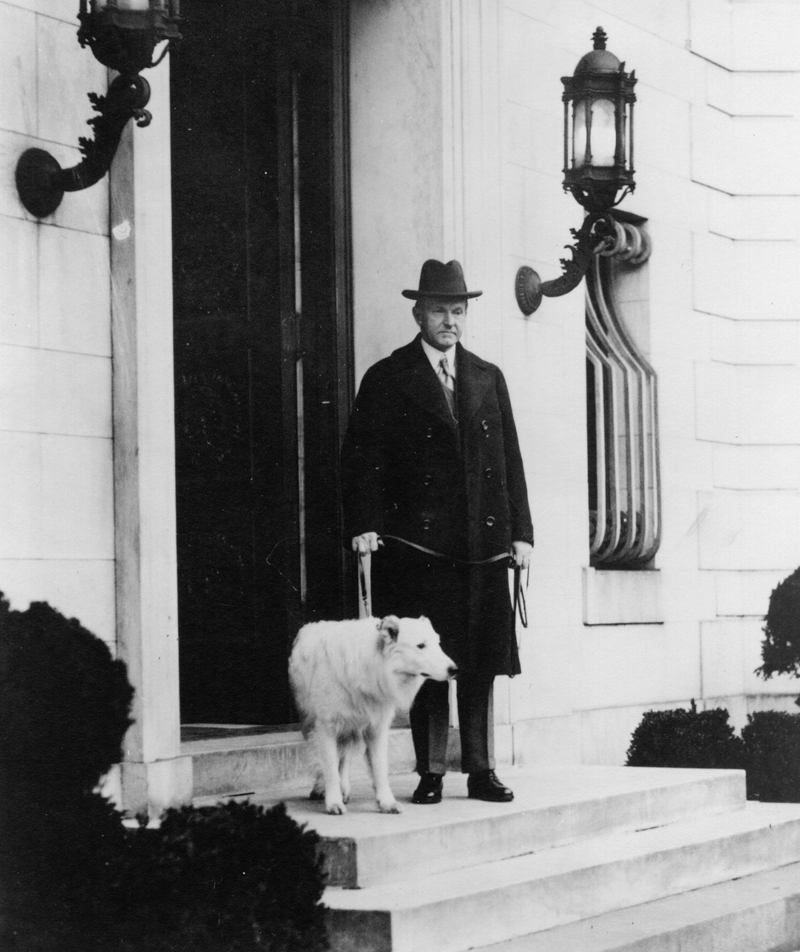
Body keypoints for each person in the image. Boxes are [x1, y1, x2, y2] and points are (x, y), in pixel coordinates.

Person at [340, 259, 533, 804]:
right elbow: (362, 459)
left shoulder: (487, 376)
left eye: (459, 310)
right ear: (418, 314)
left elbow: (510, 459)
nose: (451, 321)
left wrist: (521, 533)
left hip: (482, 546)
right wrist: (364, 524)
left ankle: (481, 770)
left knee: (480, 661)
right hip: (418, 549)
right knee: (424, 662)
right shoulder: (387, 377)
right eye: (440, 311)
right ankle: (430, 772)